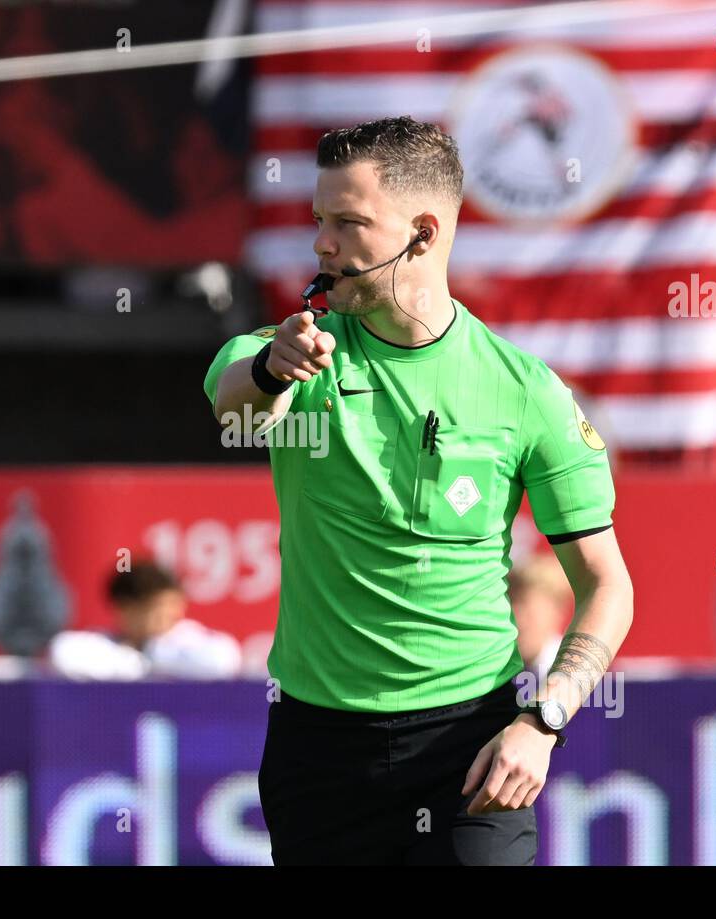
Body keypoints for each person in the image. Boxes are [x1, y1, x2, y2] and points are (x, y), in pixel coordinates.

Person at [203, 116, 634, 865]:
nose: (322, 244)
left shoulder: (523, 391)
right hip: (319, 755)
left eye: (348, 222)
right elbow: (237, 410)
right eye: (318, 220)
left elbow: (606, 585)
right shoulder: (295, 354)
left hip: (471, 753)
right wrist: (275, 368)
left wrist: (545, 722)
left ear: (423, 234)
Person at [48, 562, 241, 680]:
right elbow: (62, 653)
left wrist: (154, 655)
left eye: (175, 606)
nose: (172, 616)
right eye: (158, 608)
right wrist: (137, 661)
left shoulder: (189, 640)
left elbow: (223, 659)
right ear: (126, 608)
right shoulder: (102, 644)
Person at [509, 551, 575, 689]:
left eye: (528, 611)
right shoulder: (499, 676)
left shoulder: (579, 677)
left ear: (557, 611)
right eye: (512, 607)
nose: (518, 621)